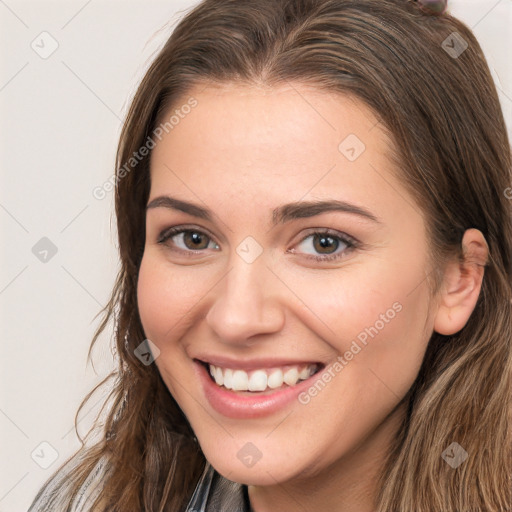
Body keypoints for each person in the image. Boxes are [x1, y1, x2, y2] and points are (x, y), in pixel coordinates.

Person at [28, 0, 512, 510]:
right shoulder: (83, 501)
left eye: (324, 243)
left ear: (459, 279)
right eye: (192, 238)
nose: (237, 318)